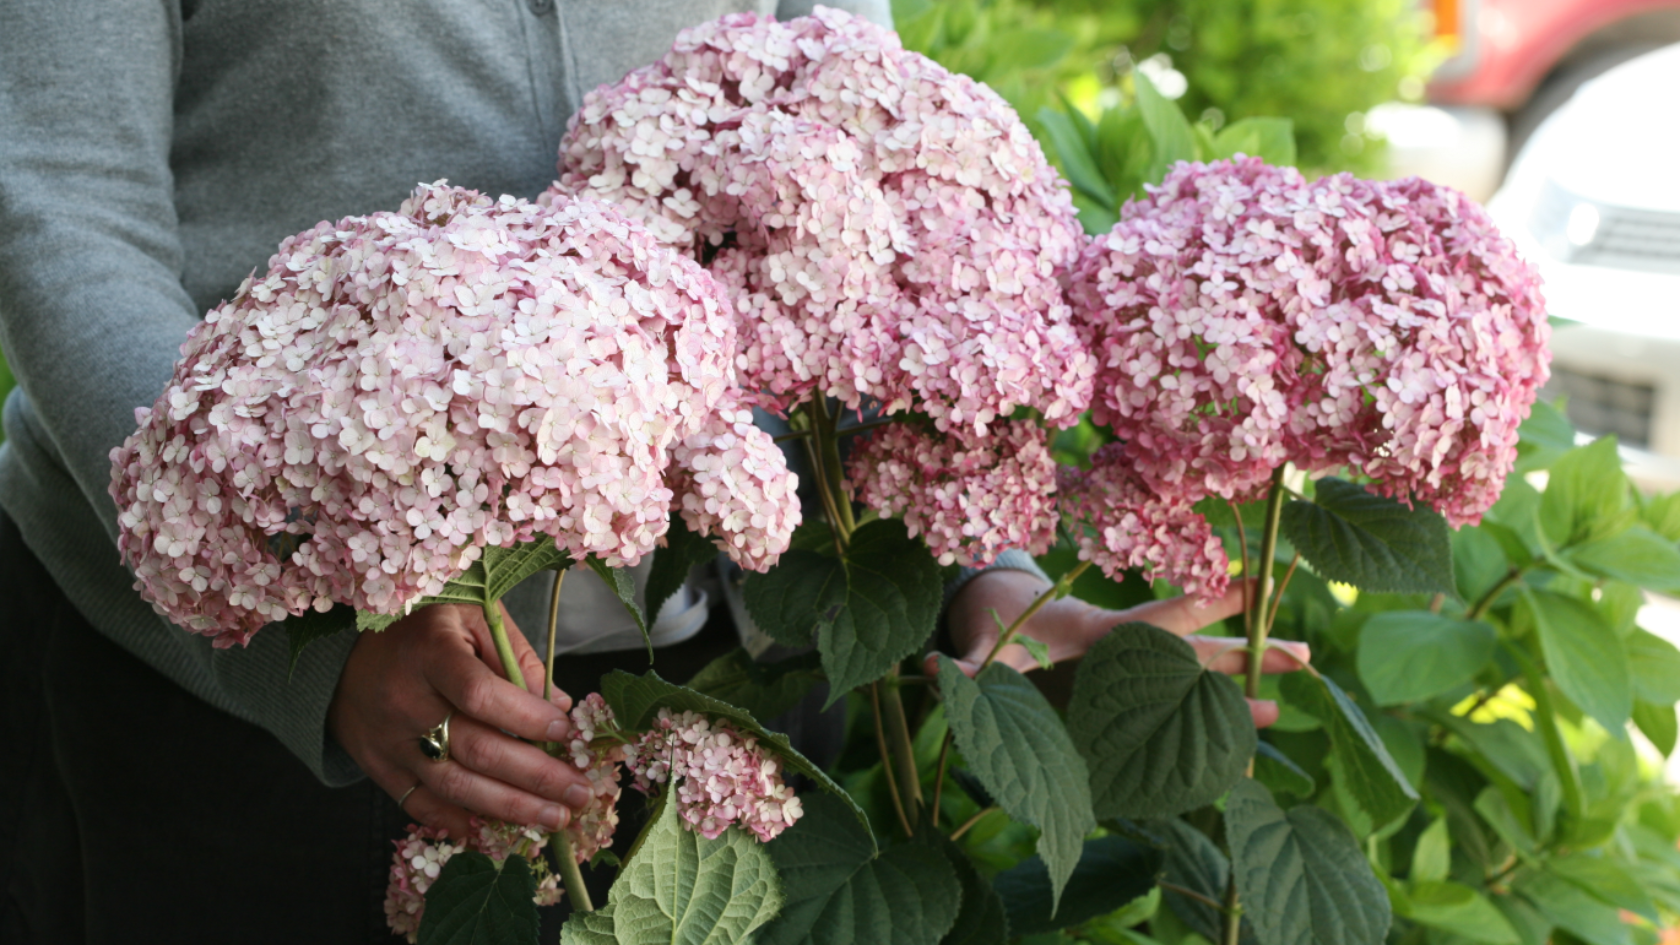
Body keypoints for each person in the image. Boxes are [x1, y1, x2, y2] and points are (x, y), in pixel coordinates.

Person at [0, 1, 1306, 941]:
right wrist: (312, 641)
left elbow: (871, 183)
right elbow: (68, 213)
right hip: (250, 720)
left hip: (727, 683)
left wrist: (980, 581)